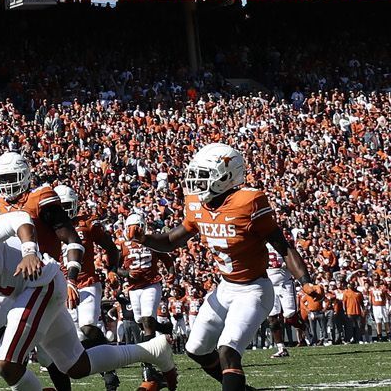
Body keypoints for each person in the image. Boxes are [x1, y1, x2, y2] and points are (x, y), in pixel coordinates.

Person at [0, 210, 174, 391]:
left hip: (38, 279)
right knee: (76, 366)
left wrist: (29, 251)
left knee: (7, 363)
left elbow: (17, 218)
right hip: (19, 293)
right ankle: (152, 349)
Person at [139, 143, 310, 391]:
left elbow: (283, 246)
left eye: (204, 176)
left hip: (254, 289)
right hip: (225, 288)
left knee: (228, 352)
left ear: (226, 177)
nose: (197, 183)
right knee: (195, 349)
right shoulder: (197, 205)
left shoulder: (249, 202)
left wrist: (306, 282)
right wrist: (144, 238)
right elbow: (169, 241)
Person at [0, 152, 88, 391]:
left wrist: (72, 278)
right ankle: (149, 351)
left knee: (31, 357)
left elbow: (72, 240)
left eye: (12, 176)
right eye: (3, 177)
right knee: (66, 361)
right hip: (11, 285)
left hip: (40, 283)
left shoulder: (39, 197)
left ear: (25, 175)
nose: (8, 183)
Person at [54, 185, 123, 390]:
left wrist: (112, 269)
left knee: (88, 327)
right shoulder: (49, 228)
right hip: (62, 286)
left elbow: (111, 247)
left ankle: (109, 370)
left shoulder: (87, 224)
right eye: (61, 207)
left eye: (67, 206)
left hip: (87, 282)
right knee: (76, 338)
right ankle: (105, 364)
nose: (65, 211)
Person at [119, 211, 176, 390]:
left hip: (152, 284)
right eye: (131, 228)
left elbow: (167, 259)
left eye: (137, 227)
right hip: (134, 288)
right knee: (141, 322)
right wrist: (126, 273)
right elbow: (114, 268)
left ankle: (148, 366)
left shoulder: (150, 241)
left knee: (147, 320)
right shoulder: (122, 245)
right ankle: (163, 328)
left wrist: (172, 274)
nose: (134, 231)